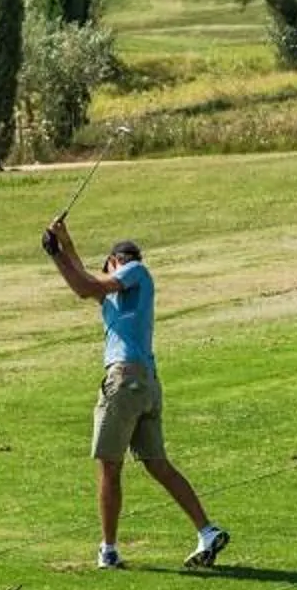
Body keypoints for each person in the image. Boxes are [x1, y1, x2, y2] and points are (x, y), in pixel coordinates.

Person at [41, 215, 227, 571]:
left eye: (107, 267)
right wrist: (62, 246)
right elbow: (86, 283)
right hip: (146, 384)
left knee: (109, 466)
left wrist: (58, 254)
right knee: (158, 464)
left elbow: (90, 284)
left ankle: (108, 550)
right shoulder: (117, 295)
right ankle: (206, 530)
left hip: (125, 382)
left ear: (115, 263)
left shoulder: (136, 271)